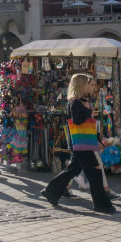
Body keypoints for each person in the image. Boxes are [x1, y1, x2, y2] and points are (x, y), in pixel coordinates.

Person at [41, 74, 116, 214]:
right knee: (95, 172)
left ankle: (51, 191)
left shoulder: (83, 100)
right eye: (90, 84)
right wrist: (89, 110)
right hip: (81, 144)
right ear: (82, 85)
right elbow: (77, 120)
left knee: (73, 169)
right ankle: (102, 204)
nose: (92, 86)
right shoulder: (75, 102)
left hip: (84, 143)